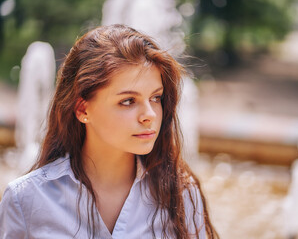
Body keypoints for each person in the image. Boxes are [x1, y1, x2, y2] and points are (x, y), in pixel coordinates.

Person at [0, 24, 218, 239]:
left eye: (156, 98)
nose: (149, 114)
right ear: (82, 109)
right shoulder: (26, 200)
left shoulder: (180, 194)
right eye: (128, 101)